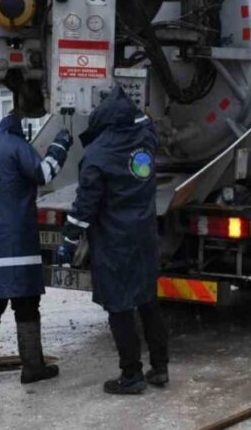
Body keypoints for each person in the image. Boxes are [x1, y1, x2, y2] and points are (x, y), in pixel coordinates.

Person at [55, 87, 169, 395]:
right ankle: (160, 368)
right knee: (148, 301)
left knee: (119, 307)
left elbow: (85, 205)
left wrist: (68, 241)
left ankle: (131, 375)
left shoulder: (96, 155)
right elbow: (148, 123)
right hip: (144, 236)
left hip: (114, 241)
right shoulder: (145, 141)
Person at [0, 111, 73, 388]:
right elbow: (45, 173)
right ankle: (32, 368)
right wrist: (60, 144)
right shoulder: (16, 146)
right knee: (25, 304)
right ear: (19, 130)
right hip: (16, 242)